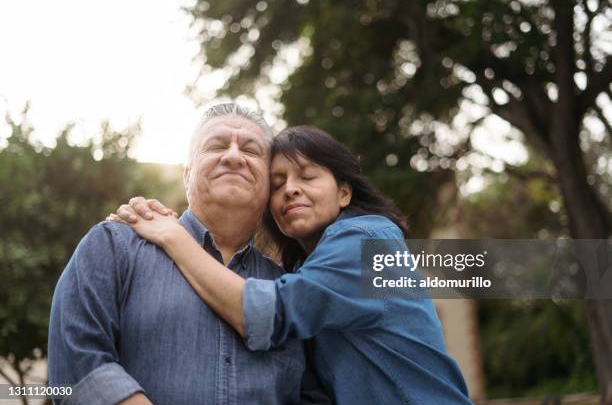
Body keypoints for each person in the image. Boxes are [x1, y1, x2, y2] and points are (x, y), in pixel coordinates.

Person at [112, 125, 472, 404]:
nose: (290, 190)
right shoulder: (304, 271)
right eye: (278, 183)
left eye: (308, 176)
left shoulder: (367, 241)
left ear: (344, 192)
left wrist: (174, 237)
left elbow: (266, 313)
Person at [48, 104, 326, 405]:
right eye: (217, 145)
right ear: (187, 175)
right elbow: (76, 368)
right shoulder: (113, 246)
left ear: (269, 184)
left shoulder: (292, 288)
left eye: (250, 150)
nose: (233, 156)